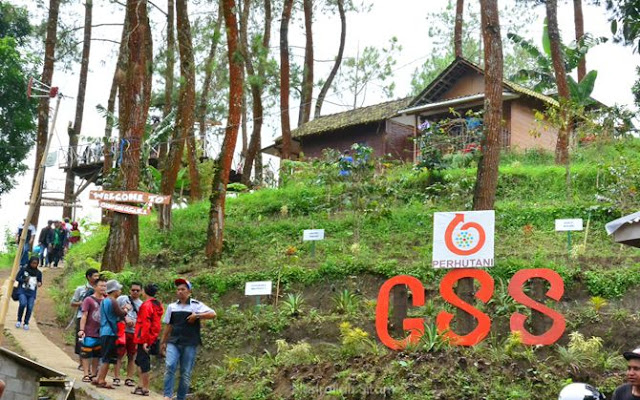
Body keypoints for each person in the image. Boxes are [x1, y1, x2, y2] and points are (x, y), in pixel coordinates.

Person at [161, 278, 216, 400]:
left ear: (189, 292)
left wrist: (197, 315)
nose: (180, 291)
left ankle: (181, 397)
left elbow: (213, 314)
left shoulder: (196, 305)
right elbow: (168, 325)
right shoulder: (172, 307)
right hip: (174, 341)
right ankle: (167, 395)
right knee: (170, 366)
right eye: (178, 289)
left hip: (190, 342)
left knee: (185, 373)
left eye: (183, 289)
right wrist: (163, 341)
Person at [94, 279, 131, 389]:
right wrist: (126, 309)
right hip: (110, 332)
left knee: (104, 355)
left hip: (104, 330)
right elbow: (120, 314)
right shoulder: (113, 301)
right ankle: (101, 379)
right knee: (107, 357)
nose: (120, 291)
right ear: (114, 290)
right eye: (118, 289)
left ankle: (98, 377)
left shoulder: (104, 301)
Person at [132, 283, 164, 396]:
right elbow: (156, 324)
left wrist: (145, 341)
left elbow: (145, 324)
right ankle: (140, 385)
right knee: (140, 362)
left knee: (144, 363)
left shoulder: (146, 306)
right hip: (152, 336)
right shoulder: (157, 305)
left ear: (144, 292)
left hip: (144, 339)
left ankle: (145, 387)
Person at [78, 277, 107, 382]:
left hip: (102, 332)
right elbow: (84, 315)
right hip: (89, 331)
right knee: (86, 353)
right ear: (95, 287)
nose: (103, 288)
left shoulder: (107, 300)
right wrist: (82, 329)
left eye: (105, 286)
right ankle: (86, 373)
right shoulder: (88, 300)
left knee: (97, 354)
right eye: (101, 286)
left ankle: (94, 374)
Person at [116, 282, 143, 387]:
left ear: (141, 292)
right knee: (119, 354)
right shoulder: (122, 299)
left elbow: (142, 319)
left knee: (131, 356)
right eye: (133, 290)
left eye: (137, 290)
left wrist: (134, 323)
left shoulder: (141, 304)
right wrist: (124, 318)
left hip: (134, 332)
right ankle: (117, 377)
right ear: (129, 290)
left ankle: (129, 378)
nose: (135, 292)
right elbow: (115, 311)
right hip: (122, 331)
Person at [71, 268, 100, 365]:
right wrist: (82, 303)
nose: (97, 277)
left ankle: (90, 363)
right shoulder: (80, 289)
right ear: (88, 277)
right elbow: (72, 302)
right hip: (81, 316)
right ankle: (81, 362)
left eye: (98, 276)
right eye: (95, 276)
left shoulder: (100, 290)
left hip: (95, 319)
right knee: (81, 338)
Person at [14, 256, 42, 330]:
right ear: (30, 262)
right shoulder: (24, 269)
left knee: (30, 307)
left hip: (32, 292)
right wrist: (24, 280)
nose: (34, 265)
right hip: (22, 290)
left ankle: (26, 322)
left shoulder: (38, 273)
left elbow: (40, 281)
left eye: (36, 264)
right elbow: (17, 278)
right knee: (23, 303)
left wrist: (39, 283)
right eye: (33, 263)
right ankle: (19, 320)